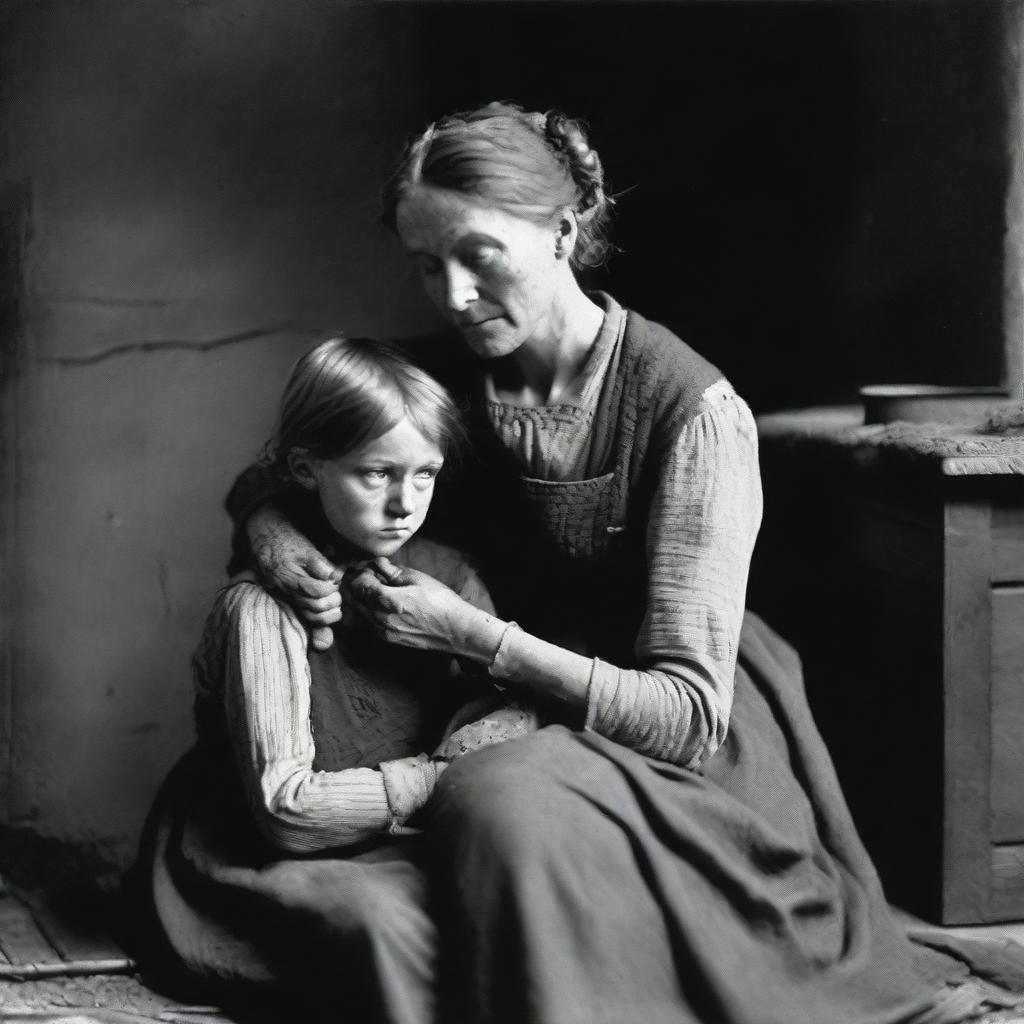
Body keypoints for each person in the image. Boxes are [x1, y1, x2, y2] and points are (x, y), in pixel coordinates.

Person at [225, 105, 1023, 1024]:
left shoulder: (692, 410)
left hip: (663, 716)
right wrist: (277, 544)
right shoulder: (435, 375)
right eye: (423, 263)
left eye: (478, 256)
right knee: (270, 818)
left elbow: (684, 713)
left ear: (562, 231)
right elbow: (275, 476)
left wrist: (471, 633)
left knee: (495, 800)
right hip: (496, 697)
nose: (450, 293)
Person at [130, 337, 538, 1024]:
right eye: (375, 474)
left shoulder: (450, 572)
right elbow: (288, 810)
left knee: (500, 908)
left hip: (396, 837)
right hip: (263, 846)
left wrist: (500, 729)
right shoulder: (262, 609)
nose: (404, 503)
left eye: (426, 474)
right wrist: (439, 778)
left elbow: (505, 704)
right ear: (305, 467)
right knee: (381, 927)